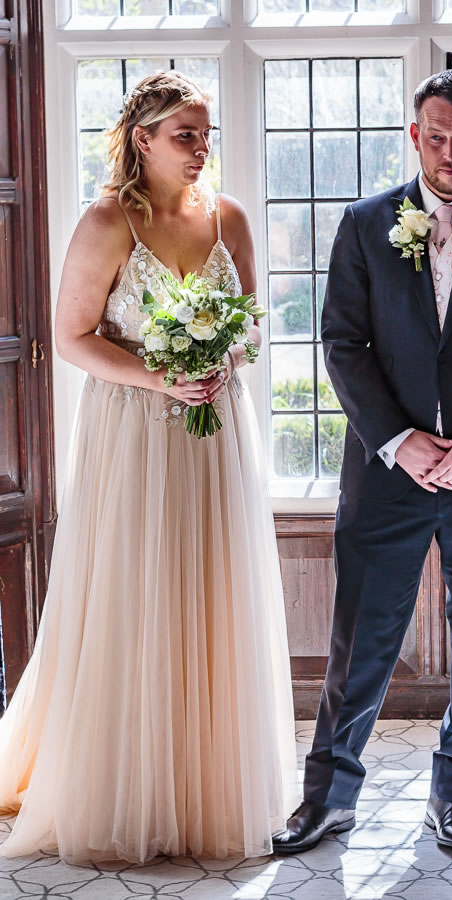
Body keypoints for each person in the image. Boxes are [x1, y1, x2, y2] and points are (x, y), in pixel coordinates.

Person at [0, 71, 297, 864]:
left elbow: (252, 323)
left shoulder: (228, 216)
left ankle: (206, 787)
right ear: (144, 139)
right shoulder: (107, 221)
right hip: (134, 432)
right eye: (185, 135)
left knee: (213, 584)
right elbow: (71, 338)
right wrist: (160, 377)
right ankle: (124, 787)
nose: (201, 149)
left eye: (206, 135)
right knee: (138, 587)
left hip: (216, 432)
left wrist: (224, 356)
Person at [273, 69, 452, 855]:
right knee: (360, 642)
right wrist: (398, 441)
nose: (450, 152)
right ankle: (327, 798)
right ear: (414, 136)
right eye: (436, 137)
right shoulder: (365, 223)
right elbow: (343, 343)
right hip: (386, 476)